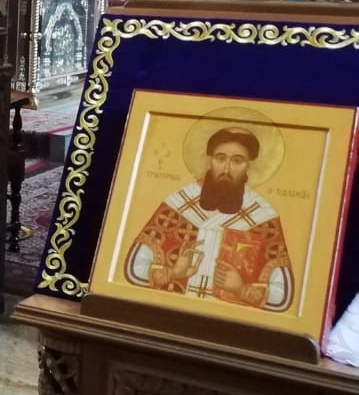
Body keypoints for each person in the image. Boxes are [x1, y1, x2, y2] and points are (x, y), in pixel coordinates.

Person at [124, 126, 293, 310]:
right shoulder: (179, 203)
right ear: (210, 161)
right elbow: (133, 271)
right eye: (220, 158)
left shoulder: (262, 215)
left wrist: (241, 289)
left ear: (248, 166)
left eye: (237, 161)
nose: (226, 169)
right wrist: (172, 273)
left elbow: (282, 298)